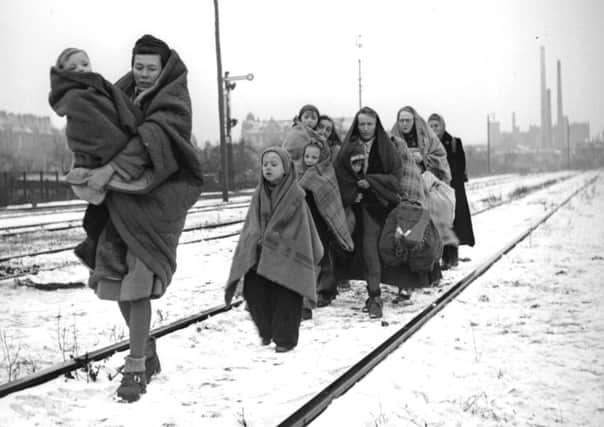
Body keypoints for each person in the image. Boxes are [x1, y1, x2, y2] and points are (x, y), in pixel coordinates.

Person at [72, 35, 204, 402]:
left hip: (157, 204)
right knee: (115, 282)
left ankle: (136, 369)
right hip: (120, 203)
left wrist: (111, 166)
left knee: (138, 287)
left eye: (151, 68)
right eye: (139, 67)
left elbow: (153, 140)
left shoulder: (174, 103)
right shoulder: (119, 94)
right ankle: (147, 347)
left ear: (164, 70)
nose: (144, 75)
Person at [50, 47, 153, 267]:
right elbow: (99, 129)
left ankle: (92, 248)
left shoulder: (96, 88)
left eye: (85, 64)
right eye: (73, 67)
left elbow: (111, 115)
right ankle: (98, 251)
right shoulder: (78, 97)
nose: (81, 69)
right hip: (101, 159)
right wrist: (128, 147)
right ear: (64, 74)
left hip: (102, 158)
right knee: (114, 210)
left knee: (105, 211)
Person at [225, 147, 323, 352]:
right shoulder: (259, 194)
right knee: (253, 292)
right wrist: (253, 240)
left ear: (285, 169)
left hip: (287, 255)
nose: (268, 168)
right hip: (260, 254)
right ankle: (267, 331)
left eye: (273, 164)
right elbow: (251, 224)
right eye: (265, 164)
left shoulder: (296, 195)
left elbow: (299, 230)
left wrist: (273, 239)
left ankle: (285, 340)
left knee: (287, 297)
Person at [334, 107, 407, 318]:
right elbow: (339, 175)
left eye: (369, 124)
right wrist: (350, 193)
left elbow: (396, 177)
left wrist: (372, 182)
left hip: (380, 207)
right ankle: (372, 295)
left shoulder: (386, 147)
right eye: (362, 124)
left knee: (375, 251)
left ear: (377, 125)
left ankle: (377, 296)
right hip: (353, 210)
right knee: (363, 253)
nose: (365, 128)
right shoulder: (348, 148)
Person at [390, 106, 454, 288]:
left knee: (427, 231)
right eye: (401, 120)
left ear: (415, 121)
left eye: (407, 120)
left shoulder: (427, 138)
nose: (404, 124)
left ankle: (432, 271)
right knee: (406, 233)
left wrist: (424, 159)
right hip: (404, 190)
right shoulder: (393, 137)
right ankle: (408, 278)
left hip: (426, 190)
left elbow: (441, 157)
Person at [428, 113, 475, 268]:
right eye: (431, 125)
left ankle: (451, 259)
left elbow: (460, 167)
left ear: (442, 126)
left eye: (436, 125)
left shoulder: (454, 143)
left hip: (452, 189)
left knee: (452, 223)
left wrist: (445, 174)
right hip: (434, 188)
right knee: (436, 222)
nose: (434, 129)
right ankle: (439, 259)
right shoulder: (426, 144)